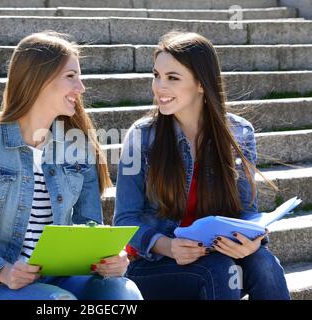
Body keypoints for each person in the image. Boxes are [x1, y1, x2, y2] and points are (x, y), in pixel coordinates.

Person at [0, 31, 143, 300]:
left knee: (124, 292)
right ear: (39, 79)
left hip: (65, 278)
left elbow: (91, 226)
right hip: (1, 288)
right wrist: (3, 270)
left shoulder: (79, 149)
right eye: (71, 76)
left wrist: (111, 259)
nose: (81, 88)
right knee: (57, 302)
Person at [114, 31, 290, 300]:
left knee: (265, 264)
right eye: (156, 75)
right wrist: (169, 246)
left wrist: (250, 241)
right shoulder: (140, 137)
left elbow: (246, 211)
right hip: (153, 267)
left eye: (172, 78)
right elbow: (124, 221)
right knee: (217, 269)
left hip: (215, 254)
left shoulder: (239, 132)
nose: (159, 87)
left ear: (200, 83)